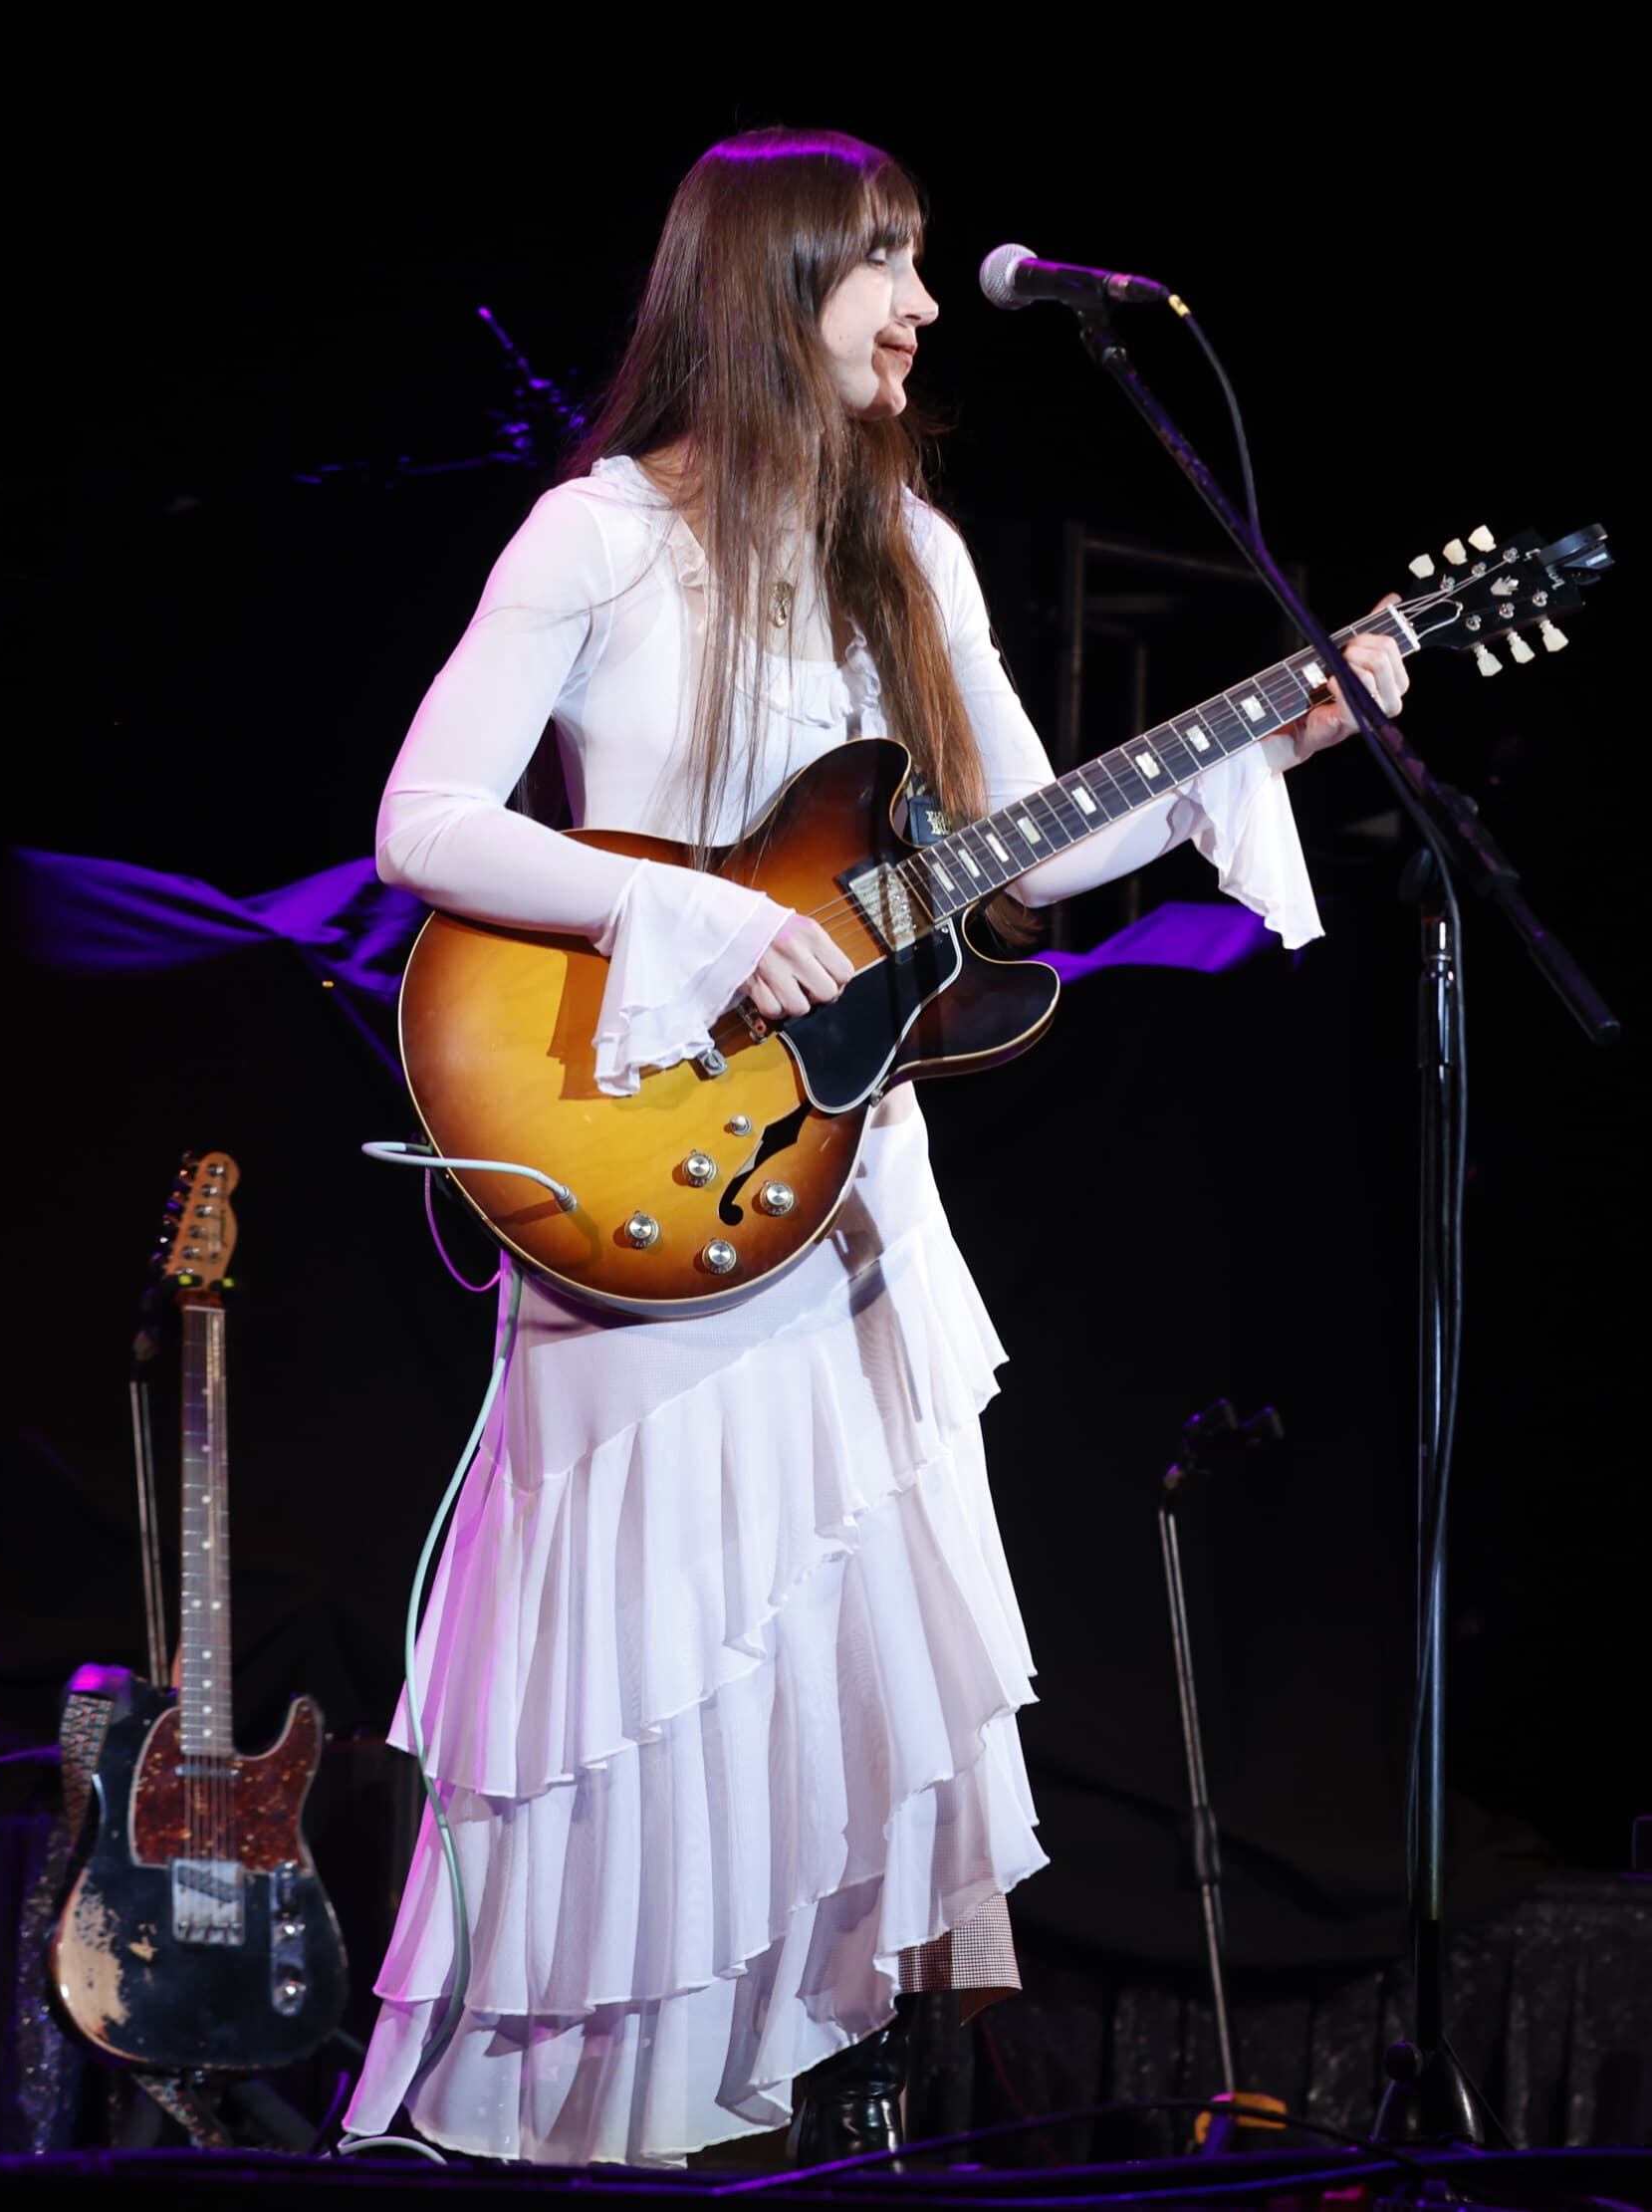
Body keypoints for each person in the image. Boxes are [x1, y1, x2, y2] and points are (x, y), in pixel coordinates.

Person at [342, 129, 1407, 2166]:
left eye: (921, 263)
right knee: (642, 1674)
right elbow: (425, 821)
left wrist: (1264, 729)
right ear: (772, 285)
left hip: (845, 1196)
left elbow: (1027, 846)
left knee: (818, 1667)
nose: (920, 305)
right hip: (638, 1163)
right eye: (885, 263)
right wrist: (687, 909)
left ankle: (773, 2130)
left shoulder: (910, 549)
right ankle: (573, 2136)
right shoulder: (595, 537)